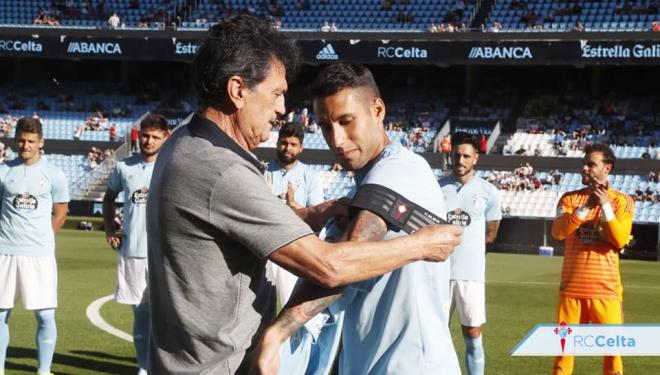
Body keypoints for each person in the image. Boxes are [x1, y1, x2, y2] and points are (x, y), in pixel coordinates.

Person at [146, 15, 463, 374]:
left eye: (346, 121)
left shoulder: (182, 141)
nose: (282, 109)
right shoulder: (222, 169)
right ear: (238, 90)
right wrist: (421, 244)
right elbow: (330, 266)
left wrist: (313, 215)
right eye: (277, 93)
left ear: (378, 110)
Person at [252, 63, 462, 375]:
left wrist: (277, 333)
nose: (336, 139)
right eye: (325, 126)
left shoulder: (398, 170)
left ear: (378, 110)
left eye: (346, 121)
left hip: (410, 365)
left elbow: (340, 265)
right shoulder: (371, 179)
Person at [551, 143, 634, 375]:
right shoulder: (569, 199)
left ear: (607, 168)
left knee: (612, 358)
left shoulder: (622, 201)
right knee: (563, 356)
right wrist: (585, 208)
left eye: (591, 164)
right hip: (571, 291)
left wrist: (604, 206)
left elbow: (619, 240)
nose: (584, 168)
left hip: (605, 291)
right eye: (584, 163)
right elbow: (558, 232)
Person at [0, 117, 69, 375]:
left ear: (41, 142)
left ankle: (44, 370)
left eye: (30, 141)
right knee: (0, 315)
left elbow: (61, 213)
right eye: (20, 140)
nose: (25, 145)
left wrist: (45, 237)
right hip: (4, 252)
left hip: (39, 255)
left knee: (45, 315)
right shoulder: (3, 171)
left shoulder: (54, 174)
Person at [102, 114, 169, 375]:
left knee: (166, 316)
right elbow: (109, 199)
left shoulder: (171, 166)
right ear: (138, 136)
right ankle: (144, 367)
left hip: (165, 255)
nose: (149, 141)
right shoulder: (124, 167)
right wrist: (110, 228)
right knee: (140, 315)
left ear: (165, 138)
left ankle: (163, 366)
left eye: (155, 137)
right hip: (132, 253)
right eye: (145, 135)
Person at [439, 132, 501, 375]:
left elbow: (492, 233)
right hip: (439, 273)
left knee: (472, 333)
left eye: (466, 156)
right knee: (435, 333)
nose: (460, 160)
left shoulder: (488, 191)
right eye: (457, 155)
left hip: (471, 275)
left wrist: (469, 252)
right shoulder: (437, 187)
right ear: (450, 155)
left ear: (475, 158)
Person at [266, 122, 324, 304]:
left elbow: (316, 218)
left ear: (301, 148)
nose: (287, 148)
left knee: (289, 303)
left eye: (293, 144)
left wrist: (292, 204)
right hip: (266, 245)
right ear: (277, 143)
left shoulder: (310, 175)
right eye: (284, 143)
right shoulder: (263, 172)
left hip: (295, 247)